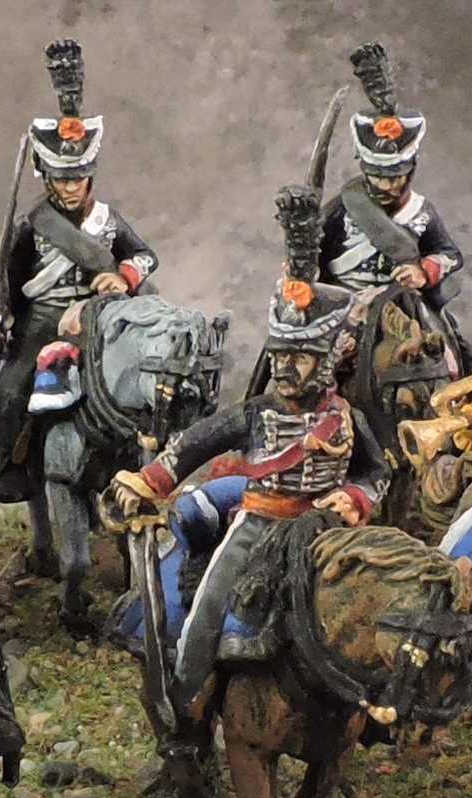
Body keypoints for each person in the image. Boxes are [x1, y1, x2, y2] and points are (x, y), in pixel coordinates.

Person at [110, 186, 388, 726]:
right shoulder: (256, 413)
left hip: (328, 531)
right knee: (210, 607)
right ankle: (186, 705)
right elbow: (196, 444)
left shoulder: (347, 419)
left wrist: (354, 497)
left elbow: (375, 471)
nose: (285, 367)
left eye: (300, 357)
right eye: (280, 355)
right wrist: (150, 479)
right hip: (261, 523)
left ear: (327, 361)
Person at [0, 39, 159, 569]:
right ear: (47, 177)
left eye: (78, 177)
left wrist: (122, 277)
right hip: (42, 321)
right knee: (9, 390)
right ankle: (15, 468)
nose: (71, 186)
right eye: (61, 178)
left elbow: (145, 256)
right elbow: (1, 280)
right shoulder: (31, 228)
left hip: (100, 320)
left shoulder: (108, 222)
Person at [321, 40, 470, 395]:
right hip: (348, 303)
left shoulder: (421, 211)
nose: (388, 185)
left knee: (453, 353)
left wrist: (423, 271)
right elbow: (316, 254)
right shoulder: (342, 209)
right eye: (379, 176)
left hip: (404, 300)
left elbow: (450, 254)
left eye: (396, 176)